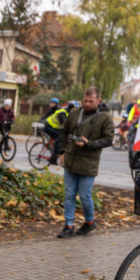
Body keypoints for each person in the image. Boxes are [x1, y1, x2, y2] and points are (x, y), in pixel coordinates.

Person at [56, 87, 114, 237]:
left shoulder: (105, 117)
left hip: (89, 162)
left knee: (84, 196)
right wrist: (62, 151)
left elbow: (108, 139)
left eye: (91, 101)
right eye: (85, 100)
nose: (87, 104)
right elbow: (63, 131)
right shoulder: (75, 113)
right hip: (71, 159)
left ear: (98, 101)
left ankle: (89, 222)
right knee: (69, 195)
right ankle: (68, 226)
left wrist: (89, 144)